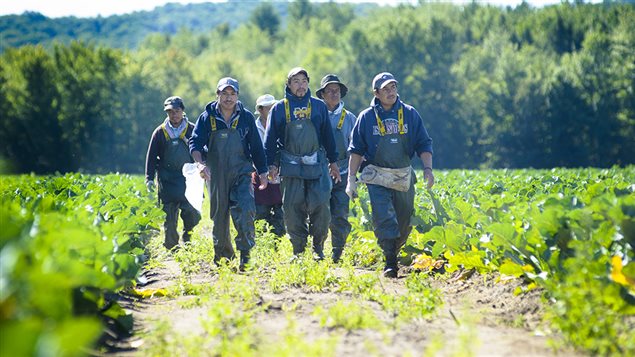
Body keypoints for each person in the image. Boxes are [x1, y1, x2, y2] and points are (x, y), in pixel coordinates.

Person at [346, 72, 434, 278]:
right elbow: (356, 150)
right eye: (385, 89)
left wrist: (428, 170)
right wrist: (351, 180)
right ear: (376, 93)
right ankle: (390, 261)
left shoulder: (410, 114)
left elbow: (423, 143)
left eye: (393, 87)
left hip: (403, 175)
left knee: (403, 221)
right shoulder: (366, 117)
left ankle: (393, 251)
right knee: (384, 216)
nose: (391, 92)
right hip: (376, 176)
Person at [189, 77, 269, 270]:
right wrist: (200, 164)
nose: (228, 98)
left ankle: (246, 255)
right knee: (219, 216)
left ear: (237, 96)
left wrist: (263, 171)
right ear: (217, 95)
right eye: (224, 93)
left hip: (241, 171)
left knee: (246, 208)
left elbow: (257, 147)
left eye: (232, 94)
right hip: (215, 174)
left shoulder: (246, 117)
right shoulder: (207, 117)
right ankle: (224, 257)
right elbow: (195, 143)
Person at [264, 67, 341, 259]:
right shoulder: (279, 109)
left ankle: (318, 248)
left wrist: (333, 162)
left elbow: (328, 137)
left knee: (322, 205)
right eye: (296, 81)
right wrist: (270, 165)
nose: (301, 85)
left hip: (316, 163)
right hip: (290, 166)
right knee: (292, 208)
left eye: (304, 81)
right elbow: (270, 139)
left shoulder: (319, 106)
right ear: (289, 85)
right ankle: (298, 251)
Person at [145, 96, 201, 251]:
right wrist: (149, 178)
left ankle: (187, 235)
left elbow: (202, 151)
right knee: (169, 217)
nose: (174, 115)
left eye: (177, 111)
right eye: (170, 112)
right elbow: (151, 157)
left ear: (183, 111)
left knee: (192, 212)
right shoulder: (160, 132)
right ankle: (172, 247)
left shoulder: (192, 129)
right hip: (167, 180)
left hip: (188, 180)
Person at [315, 74, 356, 263]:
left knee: (340, 214)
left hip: (343, 172)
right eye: (329, 91)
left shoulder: (350, 119)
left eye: (337, 91)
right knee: (320, 213)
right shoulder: (315, 115)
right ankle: (318, 249)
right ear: (322, 94)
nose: (334, 94)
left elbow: (356, 149)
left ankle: (337, 251)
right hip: (318, 172)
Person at [252, 94, 286, 237]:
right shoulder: (253, 128)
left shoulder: (281, 126)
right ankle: (261, 243)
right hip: (259, 174)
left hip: (279, 174)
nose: (272, 111)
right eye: (268, 108)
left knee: (280, 212)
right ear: (260, 110)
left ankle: (277, 242)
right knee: (260, 212)